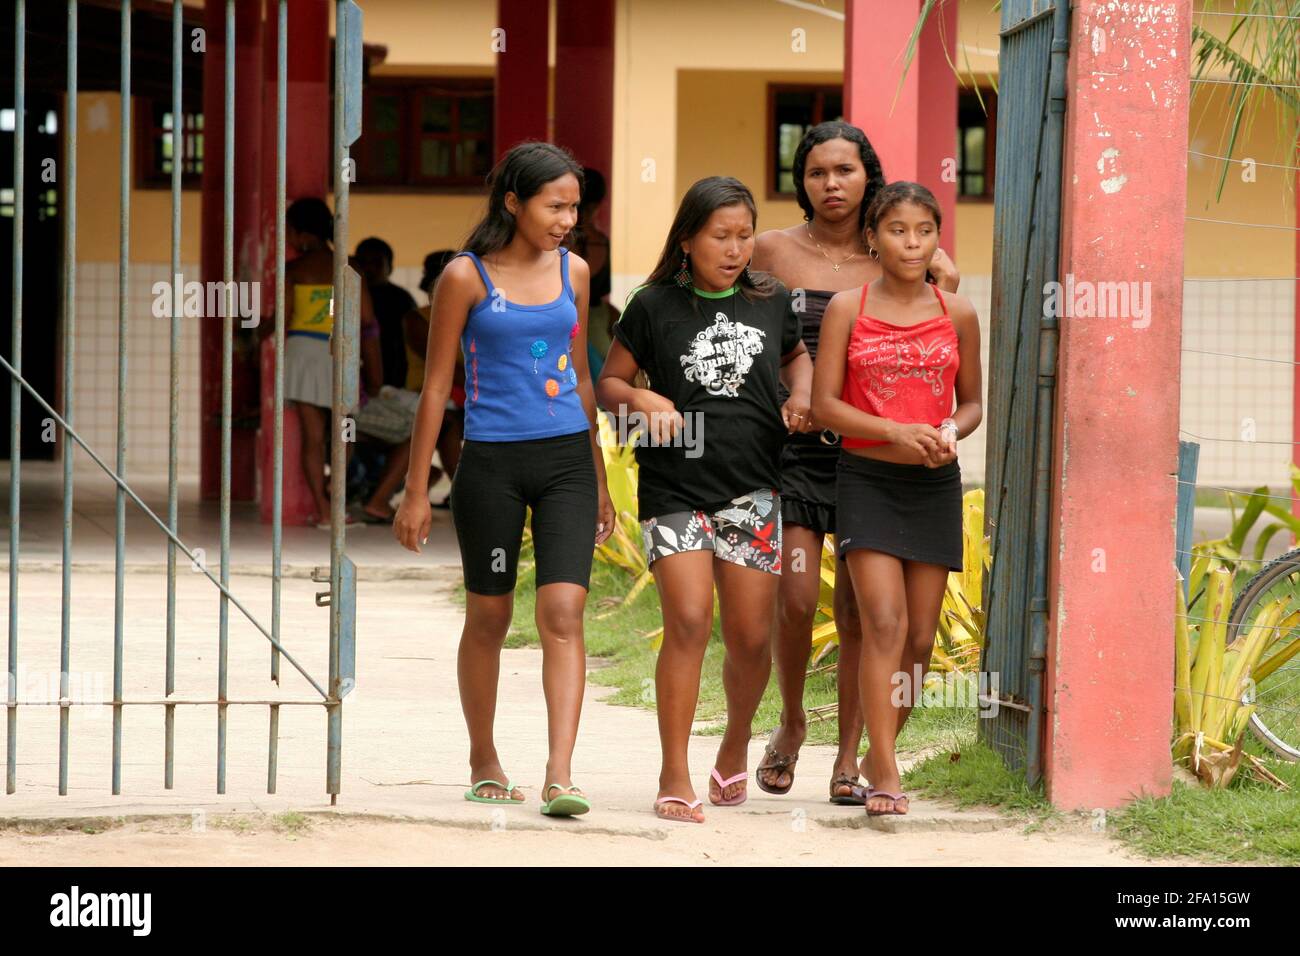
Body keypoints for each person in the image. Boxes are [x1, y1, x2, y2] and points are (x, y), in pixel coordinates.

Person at [393, 142, 614, 817]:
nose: (567, 220)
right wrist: (412, 490)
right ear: (514, 202)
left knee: (564, 611)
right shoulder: (465, 277)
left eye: (574, 207)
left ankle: (560, 772)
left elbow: (579, 378)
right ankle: (484, 758)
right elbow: (436, 388)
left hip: (567, 464)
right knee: (490, 613)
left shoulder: (574, 271)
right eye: (554, 206)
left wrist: (600, 477)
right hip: (490, 465)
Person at [750, 121, 961, 803]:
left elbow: (944, 333)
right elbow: (742, 339)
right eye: (816, 172)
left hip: (877, 457)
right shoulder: (771, 252)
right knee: (797, 595)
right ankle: (788, 723)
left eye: (845, 170)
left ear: (868, 175)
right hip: (794, 451)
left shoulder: (902, 256)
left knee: (863, 618)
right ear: (800, 181)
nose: (831, 184)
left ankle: (852, 759)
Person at [597, 176, 812, 823]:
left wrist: (800, 393)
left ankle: (735, 742)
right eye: (721, 236)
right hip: (674, 487)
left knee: (749, 637)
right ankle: (673, 774)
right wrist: (640, 399)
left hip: (752, 489)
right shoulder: (654, 304)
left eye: (745, 235)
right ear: (687, 239)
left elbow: (797, 358)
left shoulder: (771, 301)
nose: (735, 248)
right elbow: (609, 380)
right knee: (689, 621)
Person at [810, 181, 983, 816]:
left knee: (917, 644)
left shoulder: (956, 313)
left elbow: (971, 405)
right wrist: (892, 431)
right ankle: (883, 769)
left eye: (924, 231)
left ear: (937, 238)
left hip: (933, 485)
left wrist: (946, 432)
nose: (912, 243)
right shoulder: (847, 309)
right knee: (883, 623)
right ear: (873, 238)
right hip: (867, 481)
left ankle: (869, 755)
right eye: (897, 231)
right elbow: (825, 404)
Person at [280, 197, 377, 528]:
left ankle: (323, 512)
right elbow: (365, 317)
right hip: (339, 351)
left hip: (302, 352)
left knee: (312, 437)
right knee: (344, 434)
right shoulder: (347, 269)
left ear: (299, 232)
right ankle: (337, 500)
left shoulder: (293, 270)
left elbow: (282, 318)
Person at [402, 250, 464, 508]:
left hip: (462, 395)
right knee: (447, 427)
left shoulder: (473, 315)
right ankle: (462, 495)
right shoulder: (418, 319)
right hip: (426, 392)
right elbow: (443, 366)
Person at [566, 168, 618, 381]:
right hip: (593, 320)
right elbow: (604, 292)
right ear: (597, 205)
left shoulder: (557, 240)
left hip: (561, 316)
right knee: (605, 374)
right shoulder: (601, 242)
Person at [355, 237, 417, 390]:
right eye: (363, 262)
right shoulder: (347, 296)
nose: (369, 269)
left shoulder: (401, 299)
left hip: (395, 376)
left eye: (376, 263)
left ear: (389, 266)